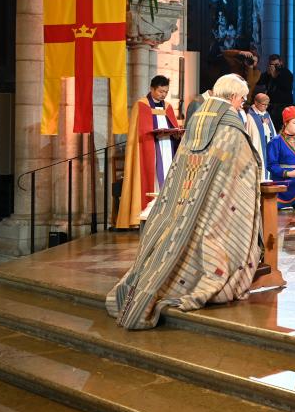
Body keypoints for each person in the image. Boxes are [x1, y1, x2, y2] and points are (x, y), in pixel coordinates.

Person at [105, 74, 263, 330]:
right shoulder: (230, 125)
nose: (241, 105)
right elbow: (241, 166)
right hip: (215, 208)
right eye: (242, 99)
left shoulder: (199, 117)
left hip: (186, 201)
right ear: (234, 96)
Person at [117, 75, 183, 230]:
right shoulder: (141, 105)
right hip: (149, 149)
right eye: (160, 91)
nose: (163, 95)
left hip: (167, 147)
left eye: (165, 92)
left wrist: (176, 133)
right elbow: (139, 132)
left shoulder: (167, 107)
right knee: (151, 179)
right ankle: (148, 214)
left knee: (167, 176)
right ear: (152, 89)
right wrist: (153, 135)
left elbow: (172, 124)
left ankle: (167, 214)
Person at [256, 54, 294, 124]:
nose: (274, 67)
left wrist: (274, 76)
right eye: (272, 65)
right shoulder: (268, 74)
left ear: (281, 63)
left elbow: (286, 87)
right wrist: (267, 73)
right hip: (270, 106)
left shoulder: (286, 73)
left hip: (283, 106)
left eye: (276, 65)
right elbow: (259, 83)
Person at [247, 93, 277, 180]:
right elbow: (253, 134)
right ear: (256, 102)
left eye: (267, 104)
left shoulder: (266, 114)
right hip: (259, 148)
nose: (266, 107)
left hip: (267, 147)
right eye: (263, 104)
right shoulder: (250, 116)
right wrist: (263, 125)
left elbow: (272, 132)